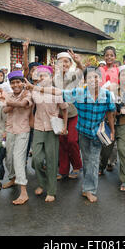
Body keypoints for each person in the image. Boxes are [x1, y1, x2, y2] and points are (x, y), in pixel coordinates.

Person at [26, 64, 116, 203]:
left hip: (98, 134)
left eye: (96, 77)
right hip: (83, 132)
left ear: (101, 78)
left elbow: (110, 112)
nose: (94, 80)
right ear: (85, 80)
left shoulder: (108, 95)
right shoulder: (80, 93)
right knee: (87, 161)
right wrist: (35, 88)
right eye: (90, 77)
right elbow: (58, 93)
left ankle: (89, 190)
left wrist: (112, 130)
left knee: (92, 162)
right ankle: (87, 186)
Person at [27, 65, 68, 202]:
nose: (41, 78)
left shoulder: (56, 92)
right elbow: (31, 107)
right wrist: (31, 120)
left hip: (52, 129)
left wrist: (65, 126)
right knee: (36, 160)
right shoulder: (35, 92)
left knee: (51, 160)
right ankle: (42, 183)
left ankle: (51, 190)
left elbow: (64, 109)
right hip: (38, 127)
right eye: (39, 76)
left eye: (44, 75)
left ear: (51, 78)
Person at [100, 65, 125, 191]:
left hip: (122, 124)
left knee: (121, 150)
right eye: (123, 75)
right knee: (106, 149)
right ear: (119, 77)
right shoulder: (112, 88)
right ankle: (101, 166)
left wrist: (122, 110)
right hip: (109, 124)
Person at [3, 71, 33, 205]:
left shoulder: (28, 94)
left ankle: (23, 192)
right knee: (9, 158)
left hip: (23, 130)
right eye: (12, 83)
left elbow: (24, 105)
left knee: (18, 158)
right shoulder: (10, 94)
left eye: (18, 82)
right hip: (10, 130)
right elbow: (5, 110)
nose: (15, 85)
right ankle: (13, 178)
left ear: (22, 83)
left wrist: (10, 102)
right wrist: (13, 102)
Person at [53, 51, 84, 180]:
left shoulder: (73, 75)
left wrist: (78, 62)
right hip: (60, 114)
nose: (63, 64)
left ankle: (77, 166)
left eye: (66, 61)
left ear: (70, 63)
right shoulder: (54, 78)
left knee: (72, 140)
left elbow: (81, 70)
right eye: (61, 61)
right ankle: (63, 170)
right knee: (62, 142)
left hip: (73, 113)